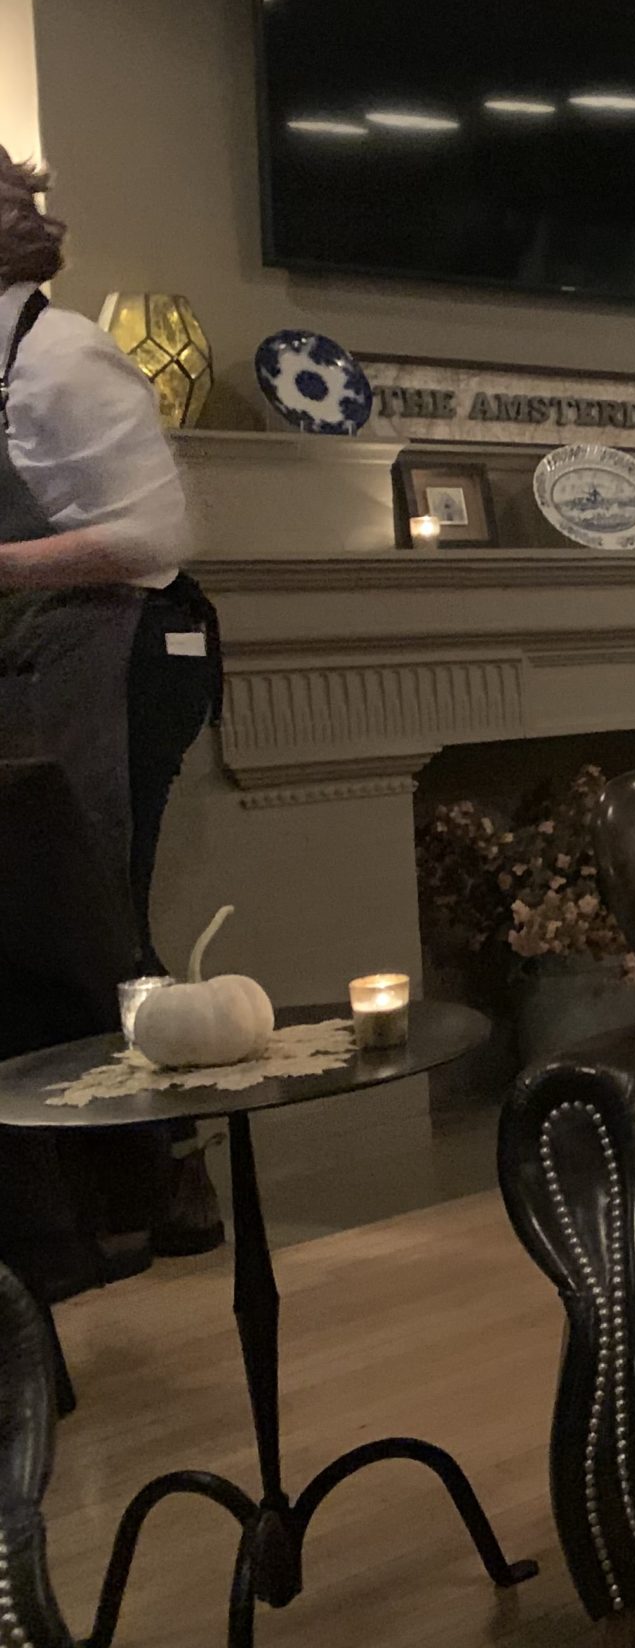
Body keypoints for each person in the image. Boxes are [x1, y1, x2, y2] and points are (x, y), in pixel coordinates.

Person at [0, 148, 224, 1299]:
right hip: (35, 649)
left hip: (124, 646)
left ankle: (162, 1177)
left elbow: (156, 536)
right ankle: (90, 1203)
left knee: (89, 912)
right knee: (41, 919)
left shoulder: (62, 356)